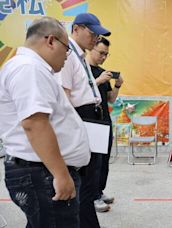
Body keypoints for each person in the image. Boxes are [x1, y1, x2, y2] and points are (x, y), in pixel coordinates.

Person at [0, 17, 90, 227]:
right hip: (43, 173)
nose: (67, 57)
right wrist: (61, 174)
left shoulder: (31, 68)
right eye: (67, 49)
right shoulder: (28, 68)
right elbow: (35, 123)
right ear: (50, 41)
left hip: (42, 171)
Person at [56, 13, 111, 227]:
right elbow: (65, 98)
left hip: (93, 120)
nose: (96, 38)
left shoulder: (81, 56)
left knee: (90, 184)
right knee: (83, 186)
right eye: (93, 32)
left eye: (99, 35)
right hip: (81, 120)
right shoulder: (68, 55)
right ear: (76, 28)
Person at [87, 37, 123, 211]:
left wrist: (117, 85)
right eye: (101, 53)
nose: (103, 57)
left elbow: (110, 100)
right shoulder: (83, 71)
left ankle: (99, 191)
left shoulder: (103, 72)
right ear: (90, 48)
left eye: (106, 55)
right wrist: (98, 80)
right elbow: (76, 93)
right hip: (90, 122)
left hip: (104, 121)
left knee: (104, 160)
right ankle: (91, 196)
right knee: (92, 162)